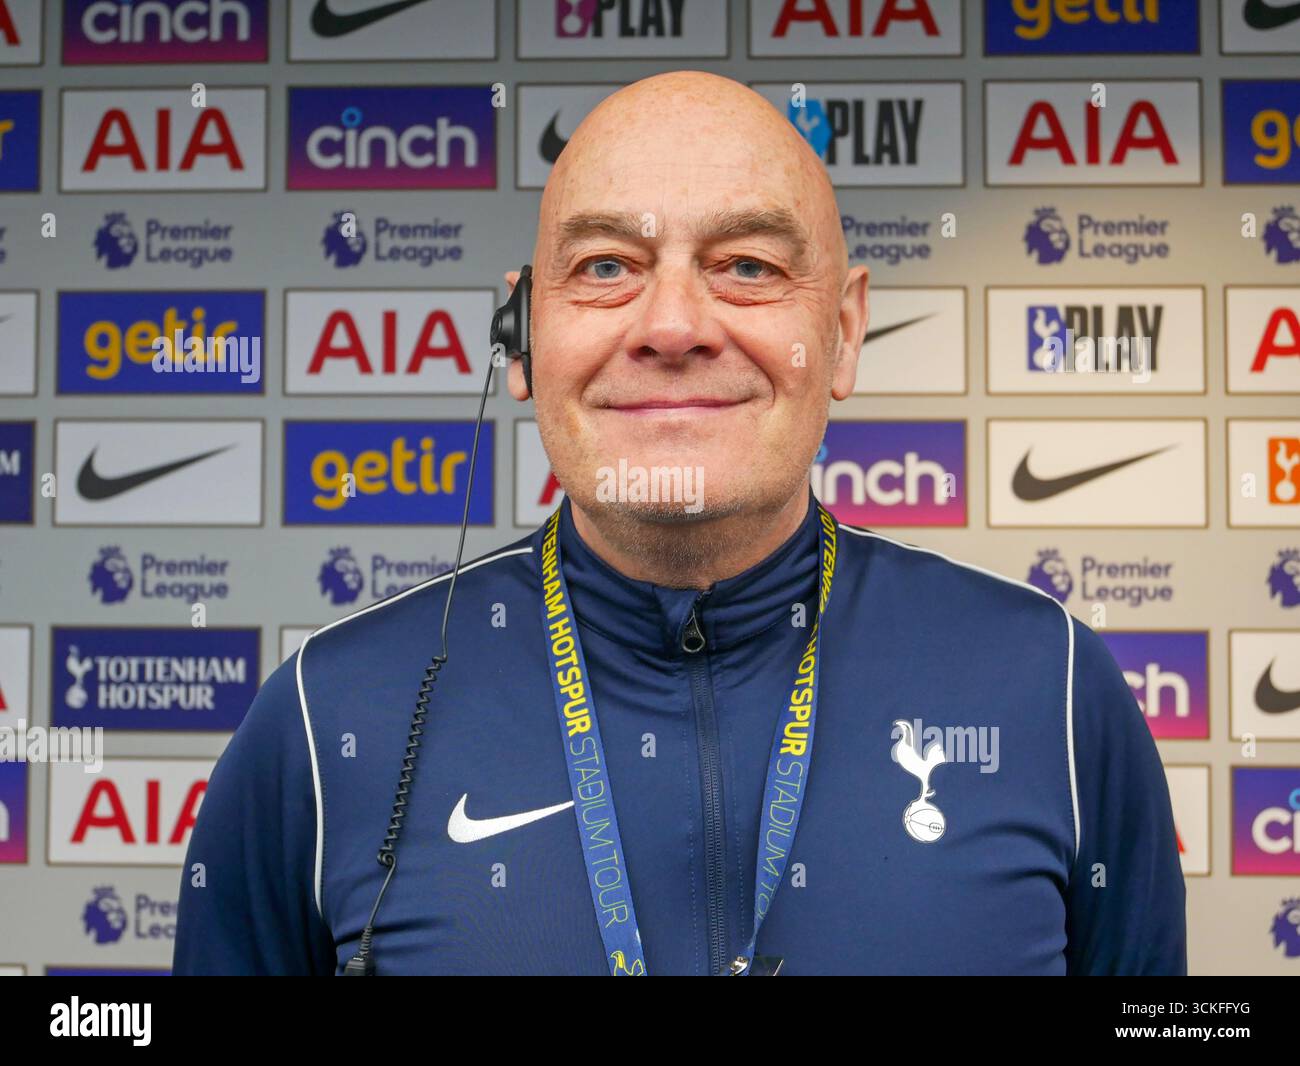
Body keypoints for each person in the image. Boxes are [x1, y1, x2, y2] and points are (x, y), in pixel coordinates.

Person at [173, 71, 1186, 976]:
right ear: (522, 337)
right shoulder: (324, 716)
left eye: (746, 265)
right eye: (607, 265)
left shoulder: (1047, 685)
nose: (670, 327)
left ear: (839, 332)